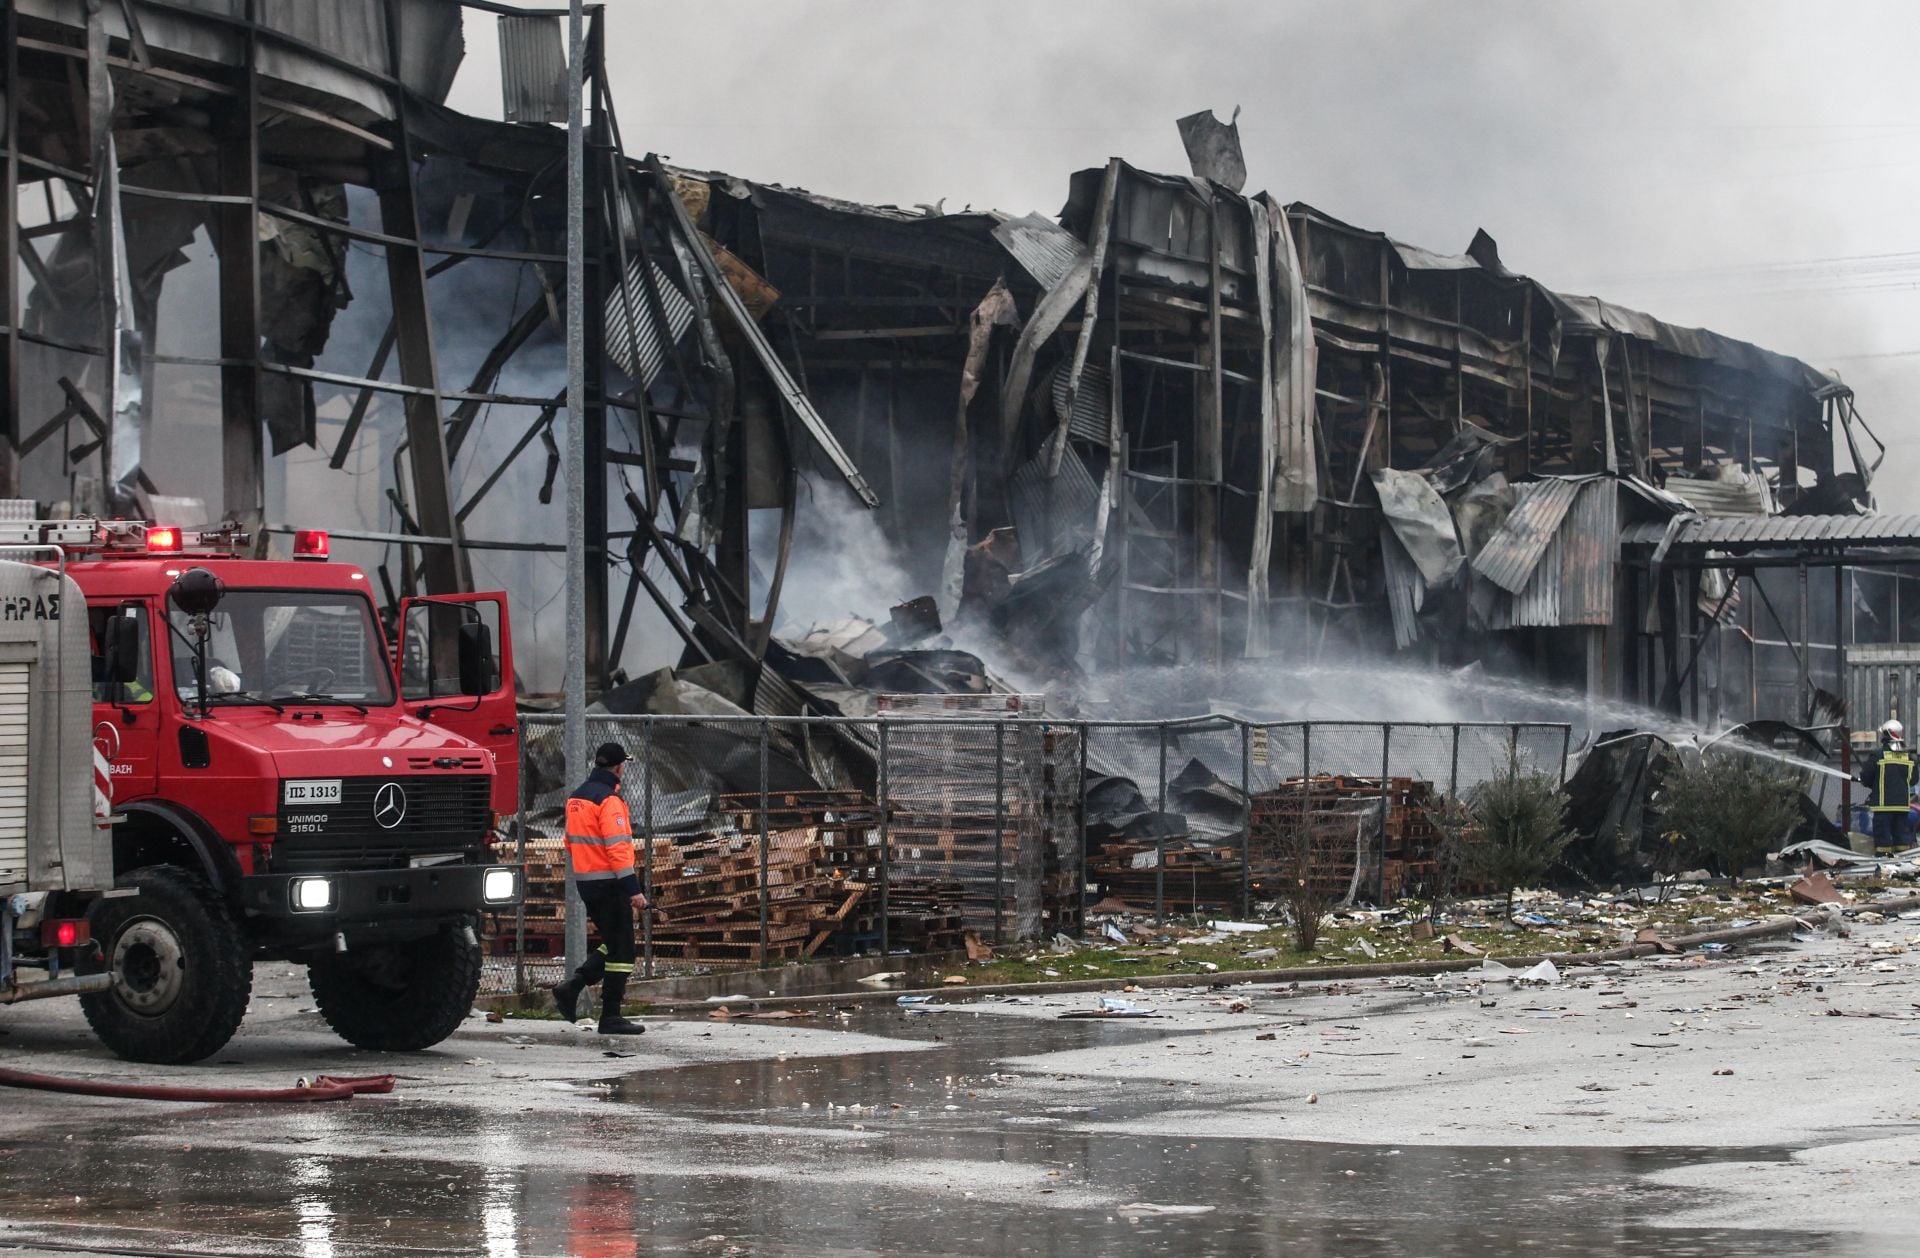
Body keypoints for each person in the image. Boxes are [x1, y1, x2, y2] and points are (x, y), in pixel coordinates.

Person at [549, 742, 650, 1035]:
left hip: (587, 882)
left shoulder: (577, 798)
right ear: (619, 767)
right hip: (610, 884)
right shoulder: (609, 801)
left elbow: (570, 841)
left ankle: (574, 986)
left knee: (614, 941)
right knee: (623, 951)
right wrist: (634, 889)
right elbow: (618, 849)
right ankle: (610, 1015)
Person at [1860, 719, 1916, 853]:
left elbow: (1866, 777)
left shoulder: (1878, 755)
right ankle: (1902, 865)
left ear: (1885, 735)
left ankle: (1885, 863)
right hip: (1902, 806)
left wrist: (1871, 783)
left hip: (1883, 806)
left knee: (1883, 841)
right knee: (1902, 839)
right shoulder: (1909, 757)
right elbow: (1913, 780)